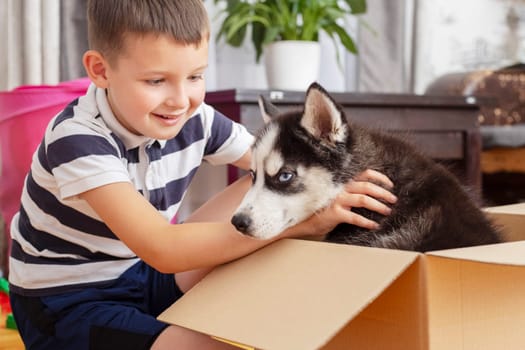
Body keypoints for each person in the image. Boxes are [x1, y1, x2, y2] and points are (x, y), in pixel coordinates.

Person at [8, 1, 397, 349]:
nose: (181, 100)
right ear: (100, 70)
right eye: (156, 81)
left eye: (194, 76)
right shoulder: (77, 139)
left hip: (140, 274)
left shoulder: (194, 117)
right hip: (68, 303)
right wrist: (302, 225)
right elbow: (162, 248)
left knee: (268, 173)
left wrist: (340, 191)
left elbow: (279, 167)